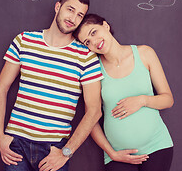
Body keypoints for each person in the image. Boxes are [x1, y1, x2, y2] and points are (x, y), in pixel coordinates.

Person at [0, 0, 103, 171]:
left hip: (54, 149)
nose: (73, 18)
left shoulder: (86, 57)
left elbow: (94, 110)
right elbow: (1, 89)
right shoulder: (24, 41)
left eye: (79, 15)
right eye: (70, 9)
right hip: (16, 145)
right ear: (58, 7)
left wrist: (66, 152)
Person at [73, 14, 174, 171]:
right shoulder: (93, 71)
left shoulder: (145, 53)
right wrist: (111, 153)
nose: (94, 42)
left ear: (105, 26)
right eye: (87, 42)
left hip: (157, 147)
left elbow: (168, 99)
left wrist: (142, 100)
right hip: (118, 155)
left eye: (94, 32)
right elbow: (91, 120)